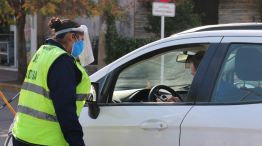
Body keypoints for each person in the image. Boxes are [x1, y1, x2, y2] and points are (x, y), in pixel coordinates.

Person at [12, 17, 93, 146]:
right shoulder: (62, 61)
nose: (82, 45)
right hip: (44, 140)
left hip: (21, 134)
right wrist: (77, 142)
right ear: (72, 36)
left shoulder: (42, 52)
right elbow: (65, 110)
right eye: (81, 40)